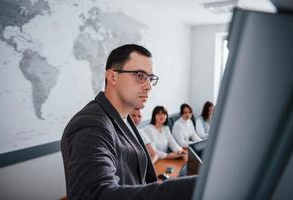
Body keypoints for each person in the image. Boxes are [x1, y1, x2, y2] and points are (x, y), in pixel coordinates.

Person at [61, 44, 196, 200]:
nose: (149, 86)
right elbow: (96, 194)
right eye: (140, 76)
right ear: (112, 77)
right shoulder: (90, 124)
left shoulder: (125, 118)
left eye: (151, 78)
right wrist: (197, 186)